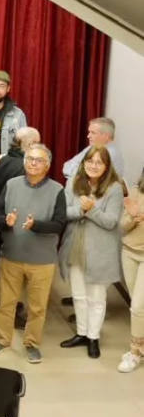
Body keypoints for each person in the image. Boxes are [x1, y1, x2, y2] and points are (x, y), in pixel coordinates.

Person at [0, 142, 66, 362]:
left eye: (39, 160)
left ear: (47, 165)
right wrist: (6, 221)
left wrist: (36, 226)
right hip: (11, 256)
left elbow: (60, 224)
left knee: (37, 307)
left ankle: (31, 343)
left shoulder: (57, 190)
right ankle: (1, 340)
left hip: (42, 261)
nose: (33, 163)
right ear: (24, 162)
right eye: (30, 159)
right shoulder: (12, 185)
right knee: (5, 303)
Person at [56, 145, 123, 360]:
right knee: (78, 294)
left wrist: (91, 210)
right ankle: (82, 333)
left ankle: (93, 337)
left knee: (97, 297)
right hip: (75, 246)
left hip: (100, 252)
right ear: (84, 163)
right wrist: (80, 210)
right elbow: (63, 212)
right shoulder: (74, 182)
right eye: (90, 161)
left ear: (106, 166)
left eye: (99, 162)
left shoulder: (114, 188)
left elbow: (111, 221)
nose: (94, 166)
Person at [118, 171, 144, 372]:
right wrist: (134, 218)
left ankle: (135, 351)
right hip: (129, 252)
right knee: (139, 307)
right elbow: (122, 227)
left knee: (137, 307)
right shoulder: (135, 191)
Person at [62, 117, 125, 182]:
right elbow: (67, 166)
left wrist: (79, 172)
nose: (88, 136)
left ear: (106, 136)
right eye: (89, 132)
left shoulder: (111, 153)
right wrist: (81, 173)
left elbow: (92, 178)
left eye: (93, 133)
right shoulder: (92, 147)